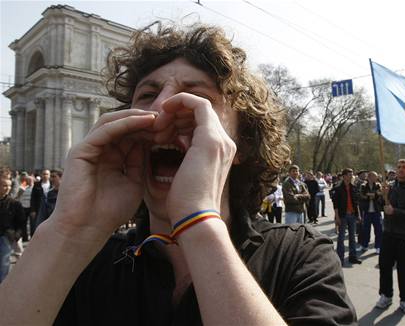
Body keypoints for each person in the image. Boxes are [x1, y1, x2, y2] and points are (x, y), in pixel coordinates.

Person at [0, 22, 356, 325]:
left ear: (241, 145)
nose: (161, 110)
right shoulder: (87, 259)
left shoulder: (300, 253)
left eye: (194, 97)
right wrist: (70, 230)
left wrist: (198, 222)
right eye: (148, 94)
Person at [375, 159, 405, 316]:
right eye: (398, 167)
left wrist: (395, 212)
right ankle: (386, 295)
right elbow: (381, 206)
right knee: (384, 266)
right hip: (388, 233)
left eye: (404, 167)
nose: (400, 170)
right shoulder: (390, 186)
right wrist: (382, 196)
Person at [331, 168, 362, 266]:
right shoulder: (338, 187)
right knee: (341, 238)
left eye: (352, 174)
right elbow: (335, 204)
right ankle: (340, 258)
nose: (351, 176)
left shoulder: (353, 187)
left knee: (352, 237)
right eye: (349, 174)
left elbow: (356, 202)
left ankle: (353, 257)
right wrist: (337, 217)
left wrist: (359, 215)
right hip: (343, 215)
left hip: (352, 215)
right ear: (344, 176)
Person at [0, 177, 26, 283]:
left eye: (9, 185)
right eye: (4, 185)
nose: (7, 188)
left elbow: (22, 221)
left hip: (5, 238)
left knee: (3, 265)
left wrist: (17, 234)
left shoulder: (14, 204)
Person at [358, 171, 383, 254]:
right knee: (365, 229)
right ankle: (364, 245)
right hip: (367, 211)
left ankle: (378, 246)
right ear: (369, 177)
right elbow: (362, 196)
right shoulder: (363, 185)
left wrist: (372, 195)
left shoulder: (378, 185)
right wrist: (373, 195)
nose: (375, 178)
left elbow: (380, 195)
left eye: (376, 176)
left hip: (376, 211)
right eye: (373, 176)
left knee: (378, 229)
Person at [29, 169, 51, 236]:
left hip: (49, 209)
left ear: (49, 175)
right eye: (44, 174)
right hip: (38, 208)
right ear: (41, 175)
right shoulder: (37, 185)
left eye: (47, 174)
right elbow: (33, 198)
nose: (45, 176)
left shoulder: (52, 185)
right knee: (37, 225)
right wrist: (32, 210)